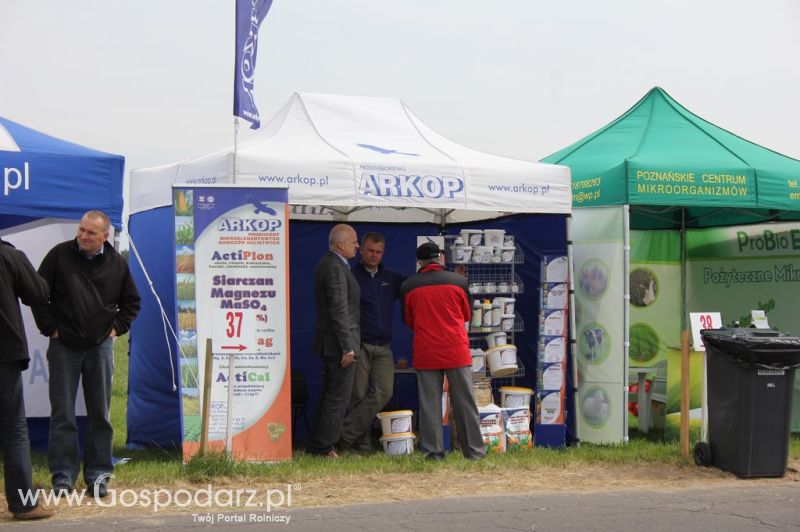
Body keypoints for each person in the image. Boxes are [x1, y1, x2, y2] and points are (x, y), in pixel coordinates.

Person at [32, 211, 141, 497]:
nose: (83, 236)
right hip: (64, 347)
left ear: (105, 236)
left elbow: (132, 302)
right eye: (82, 230)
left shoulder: (117, 264)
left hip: (99, 349)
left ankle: (98, 477)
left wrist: (116, 329)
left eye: (91, 233)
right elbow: (37, 294)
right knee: (63, 414)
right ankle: (63, 478)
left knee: (100, 416)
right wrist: (50, 328)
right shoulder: (59, 256)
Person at [400, 242, 485, 460]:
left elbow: (408, 320)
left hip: (426, 350)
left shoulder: (409, 286)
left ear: (419, 261)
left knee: (430, 404)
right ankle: (474, 452)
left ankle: (434, 451)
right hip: (456, 350)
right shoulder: (459, 282)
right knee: (465, 403)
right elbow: (467, 315)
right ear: (440, 258)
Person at [0, 238, 55, 520]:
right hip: (4, 354)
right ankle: (23, 504)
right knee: (13, 430)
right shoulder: (8, 255)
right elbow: (38, 293)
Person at [340, 232, 406, 452]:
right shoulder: (351, 275)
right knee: (357, 395)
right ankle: (362, 442)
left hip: (383, 346)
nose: (373, 255)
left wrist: (447, 275)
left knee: (384, 392)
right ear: (361, 249)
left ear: (383, 252)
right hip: (359, 344)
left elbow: (416, 288)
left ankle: (345, 435)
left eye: (378, 252)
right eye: (370, 250)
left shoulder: (392, 277)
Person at [307, 224, 361, 458]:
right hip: (338, 345)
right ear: (340, 244)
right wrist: (347, 346)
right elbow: (339, 310)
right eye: (354, 242)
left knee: (331, 394)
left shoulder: (332, 264)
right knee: (338, 397)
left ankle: (319, 444)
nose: (357, 246)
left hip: (333, 343)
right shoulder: (334, 267)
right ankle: (325, 447)